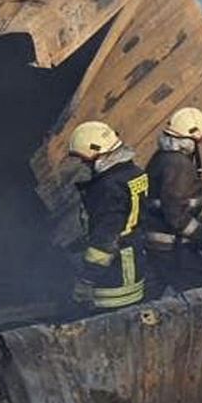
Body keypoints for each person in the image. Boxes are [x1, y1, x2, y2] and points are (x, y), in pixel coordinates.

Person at [67, 121, 149, 310]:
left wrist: (87, 279)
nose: (83, 164)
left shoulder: (108, 187)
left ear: (97, 152)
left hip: (114, 277)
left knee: (109, 326)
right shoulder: (134, 173)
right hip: (135, 259)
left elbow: (105, 240)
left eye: (85, 159)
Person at [144, 107, 202, 292]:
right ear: (191, 139)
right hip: (172, 248)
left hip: (160, 245)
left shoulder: (163, 158)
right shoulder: (178, 166)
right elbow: (176, 215)